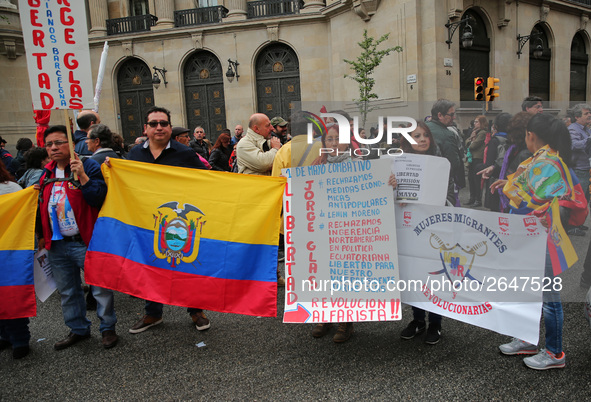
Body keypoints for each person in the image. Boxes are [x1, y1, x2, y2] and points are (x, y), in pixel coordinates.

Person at [491, 113, 587, 370]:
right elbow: (531, 189)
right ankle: (528, 339)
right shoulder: (545, 159)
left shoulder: (547, 163)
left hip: (542, 237)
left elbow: (538, 197)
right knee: (529, 291)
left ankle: (555, 353)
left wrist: (516, 190)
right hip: (530, 235)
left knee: (549, 296)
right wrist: (509, 182)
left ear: (531, 135)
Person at [125, 106, 210, 334]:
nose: (159, 127)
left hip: (179, 222)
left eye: (163, 123)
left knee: (186, 265)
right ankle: (153, 313)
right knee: (150, 265)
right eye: (153, 124)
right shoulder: (134, 155)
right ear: (146, 128)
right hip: (146, 222)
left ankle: (196, 310)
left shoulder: (185, 153)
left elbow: (204, 183)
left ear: (170, 128)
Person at [37, 125, 118, 350]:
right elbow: (39, 206)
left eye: (59, 142)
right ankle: (78, 329)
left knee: (99, 287)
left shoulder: (89, 166)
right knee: (68, 290)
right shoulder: (46, 174)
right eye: (49, 144)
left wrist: (82, 176)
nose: (53, 148)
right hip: (57, 244)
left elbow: (98, 198)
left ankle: (107, 328)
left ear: (71, 144)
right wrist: (41, 236)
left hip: (85, 241)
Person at [389, 121, 454, 345]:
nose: (423, 139)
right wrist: (392, 187)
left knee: (433, 275)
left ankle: (435, 323)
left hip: (434, 228)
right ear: (407, 140)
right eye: (417, 136)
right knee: (415, 275)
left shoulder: (441, 163)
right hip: (408, 228)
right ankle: (418, 320)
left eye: (425, 135)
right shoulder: (396, 164)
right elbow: (388, 198)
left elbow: (451, 194)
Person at [309, 123, 355, 343]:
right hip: (322, 228)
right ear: (324, 143)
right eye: (330, 139)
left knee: (344, 274)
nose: (335, 143)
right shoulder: (316, 166)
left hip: (348, 229)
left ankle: (345, 320)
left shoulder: (359, 165)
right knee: (324, 273)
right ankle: (324, 315)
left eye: (338, 138)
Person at [0, 161, 31, 359]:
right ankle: (5, 335)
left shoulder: (10, 188)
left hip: (9, 250)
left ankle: (20, 337)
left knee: (12, 294)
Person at [425, 99, 465, 205]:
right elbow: (454, 163)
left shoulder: (422, 128)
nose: (454, 117)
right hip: (442, 184)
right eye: (451, 115)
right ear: (440, 115)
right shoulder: (447, 134)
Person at [567, 103, 591, 236]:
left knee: (584, 199)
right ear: (577, 116)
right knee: (576, 199)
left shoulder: (586, 129)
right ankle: (571, 226)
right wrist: (589, 140)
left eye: (589, 113)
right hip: (578, 169)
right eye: (586, 114)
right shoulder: (573, 129)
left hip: (585, 168)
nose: (589, 115)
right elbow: (574, 145)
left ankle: (579, 223)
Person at [481, 113, 512, 212]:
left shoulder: (495, 141)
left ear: (496, 127)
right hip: (511, 181)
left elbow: (489, 163)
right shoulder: (514, 139)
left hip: (497, 182)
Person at [465, 116, 488, 207]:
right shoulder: (474, 132)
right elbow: (466, 142)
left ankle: (478, 199)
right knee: (471, 179)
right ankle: (472, 198)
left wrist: (471, 140)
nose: (475, 123)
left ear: (482, 123)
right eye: (474, 122)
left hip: (478, 158)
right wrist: (471, 138)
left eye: (477, 122)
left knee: (476, 180)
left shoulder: (482, 133)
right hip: (472, 158)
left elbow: (472, 146)